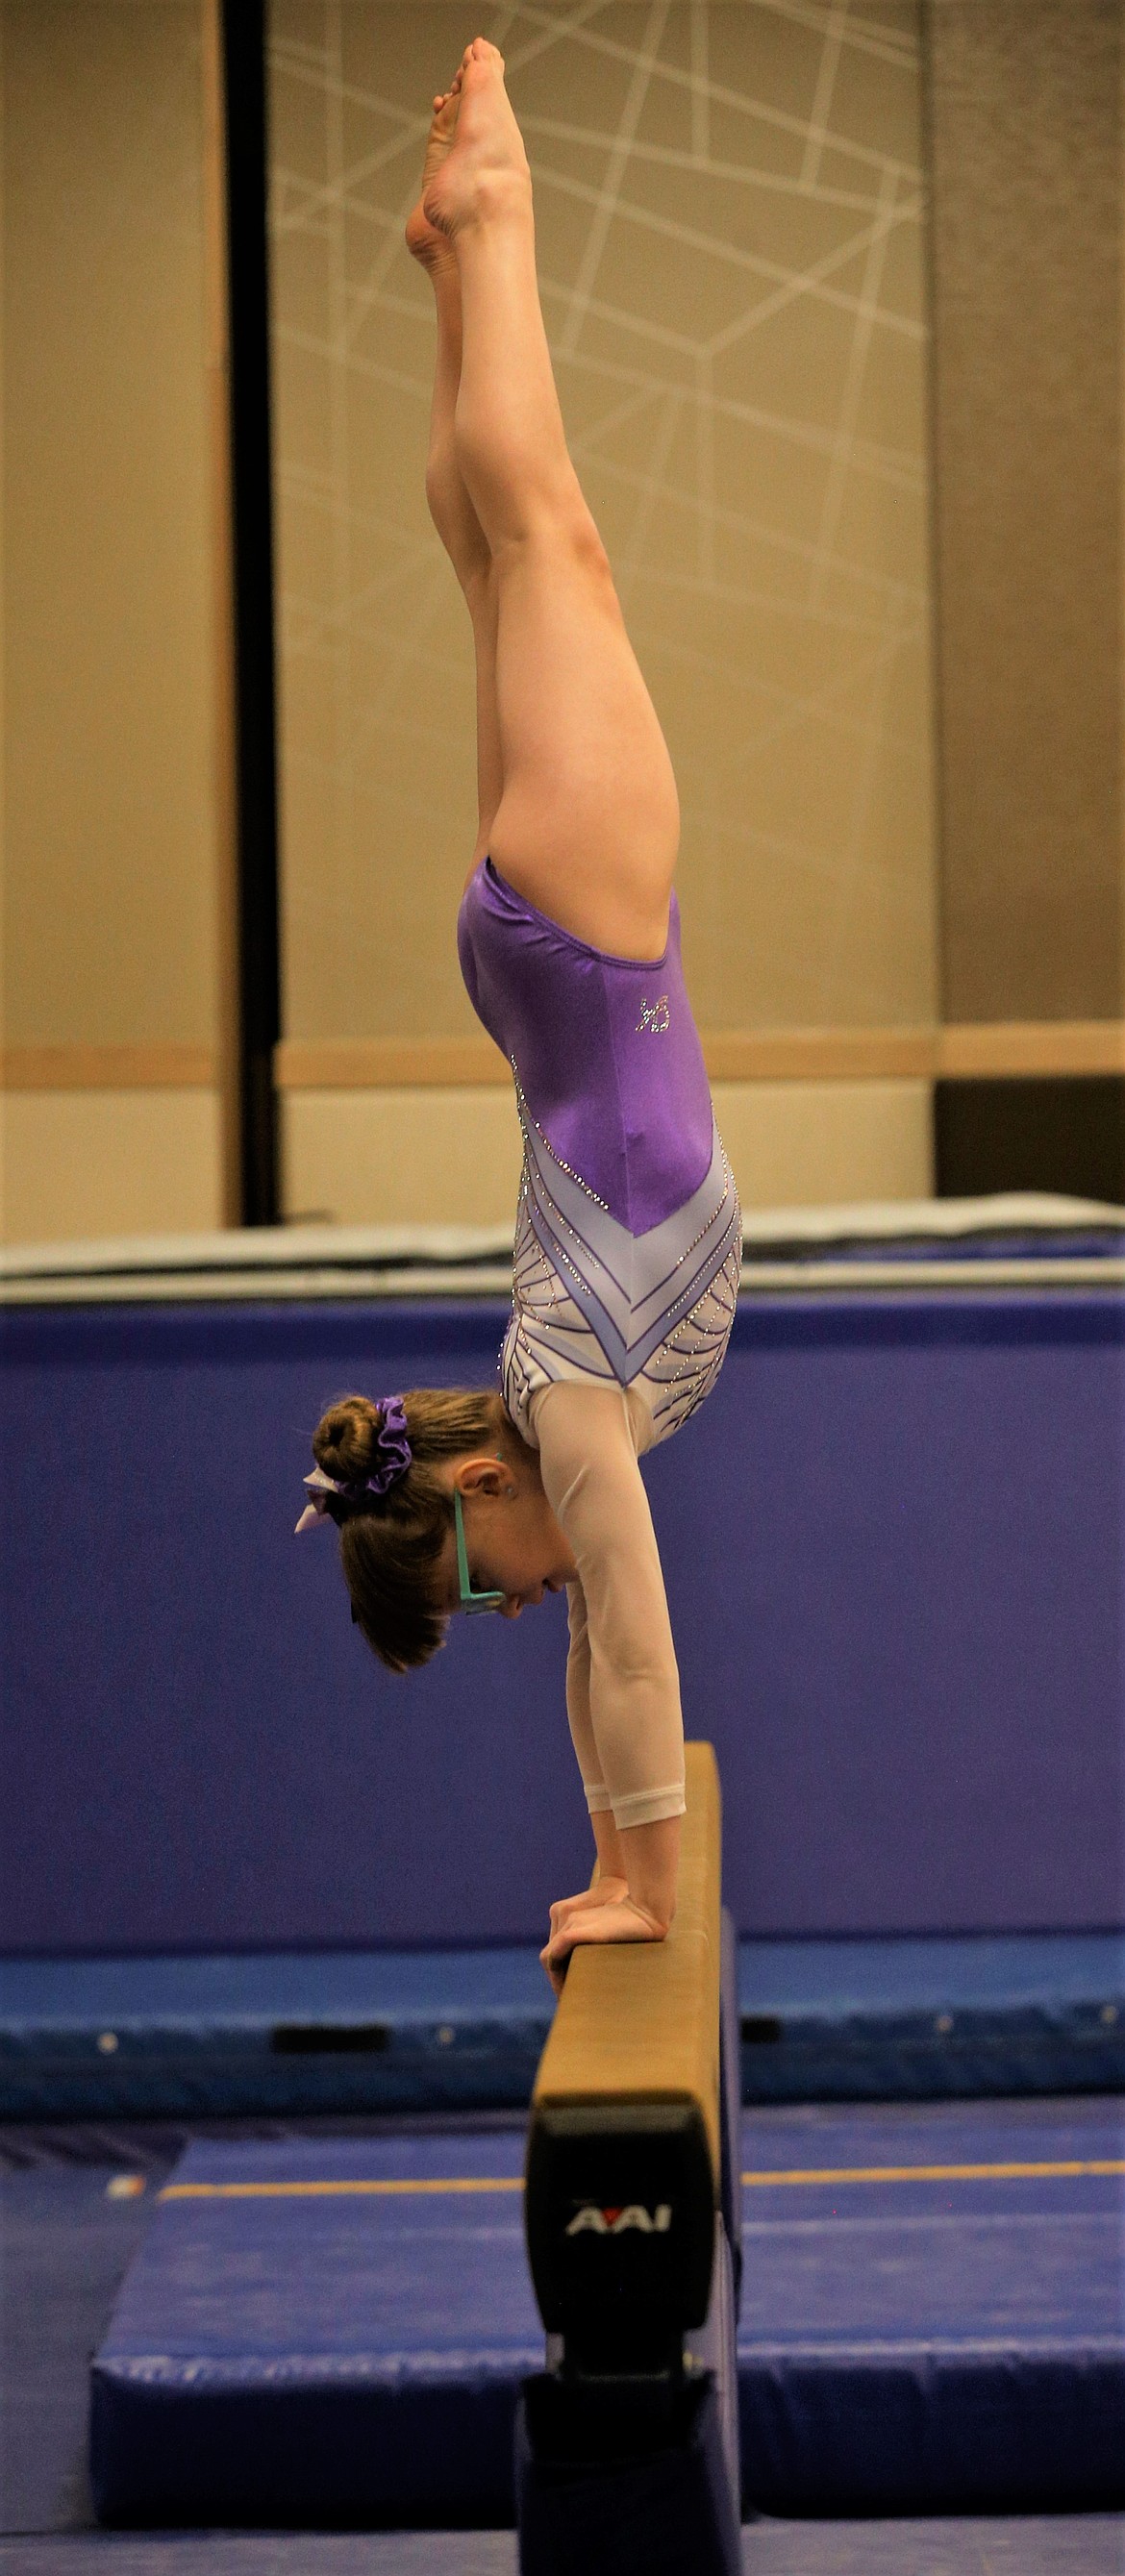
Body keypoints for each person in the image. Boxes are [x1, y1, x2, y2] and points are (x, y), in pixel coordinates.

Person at [297, 40, 741, 1991]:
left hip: (588, 932)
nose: (527, 1601)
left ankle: (498, 217)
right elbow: (595, 1655)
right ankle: (458, 259)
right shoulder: (568, 1407)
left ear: (478, 1490)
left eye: (487, 1588)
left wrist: (647, 1873)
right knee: (500, 551)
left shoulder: (573, 1419)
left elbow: (630, 1638)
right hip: (543, 960)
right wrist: (607, 1843)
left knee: (544, 531)